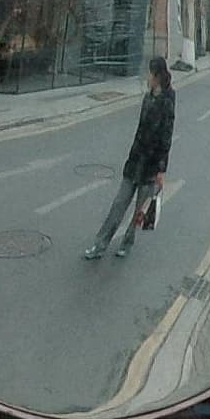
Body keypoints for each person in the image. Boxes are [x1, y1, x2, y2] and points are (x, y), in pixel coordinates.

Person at [84, 55, 180, 264]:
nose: (147, 77)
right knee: (118, 205)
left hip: (151, 166)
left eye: (150, 73)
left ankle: (127, 243)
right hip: (135, 161)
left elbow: (166, 136)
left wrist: (161, 170)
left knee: (138, 211)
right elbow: (139, 131)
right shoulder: (148, 98)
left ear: (157, 76)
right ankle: (100, 245)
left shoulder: (167, 101)